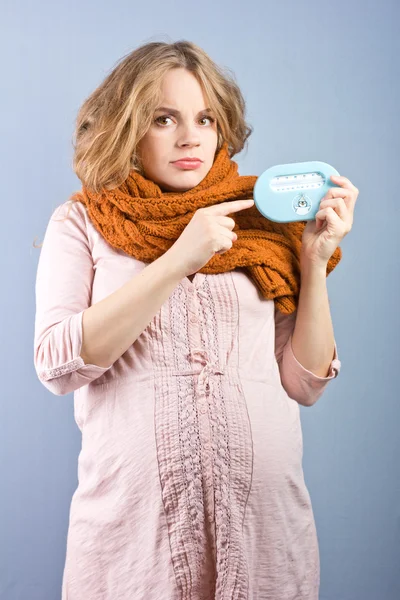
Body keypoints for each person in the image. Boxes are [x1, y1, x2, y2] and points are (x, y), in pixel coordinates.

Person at [34, 40, 358, 600]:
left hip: (263, 529)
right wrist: (179, 257)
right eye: (165, 119)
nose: (191, 137)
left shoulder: (260, 222)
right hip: (136, 537)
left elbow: (304, 383)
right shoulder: (84, 222)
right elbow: (58, 364)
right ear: (128, 129)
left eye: (205, 118)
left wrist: (312, 261)